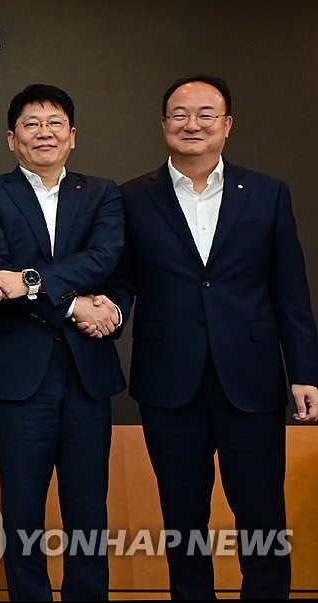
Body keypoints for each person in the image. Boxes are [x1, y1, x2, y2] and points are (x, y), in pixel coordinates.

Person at [107, 75, 318, 599]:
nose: (192, 124)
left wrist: (305, 374)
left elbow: (290, 291)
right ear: (163, 125)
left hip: (250, 378)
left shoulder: (268, 193)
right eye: (180, 114)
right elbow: (123, 279)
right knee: (183, 519)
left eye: (205, 114)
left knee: (262, 515)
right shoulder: (131, 196)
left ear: (226, 126)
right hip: (168, 381)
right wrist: (105, 308)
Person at [0, 84, 125, 600]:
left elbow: (104, 258)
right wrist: (75, 303)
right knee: (23, 510)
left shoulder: (101, 192)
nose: (44, 133)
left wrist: (30, 280)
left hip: (86, 375)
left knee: (87, 510)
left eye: (55, 123)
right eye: (32, 124)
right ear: (12, 139)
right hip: (19, 374)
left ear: (72, 136)